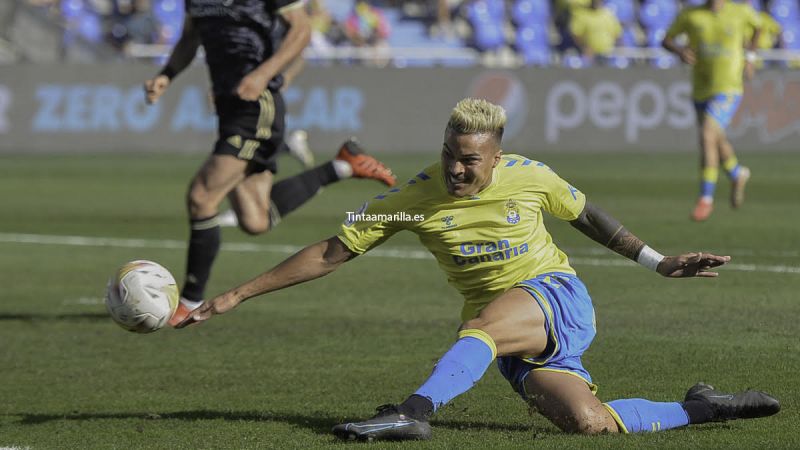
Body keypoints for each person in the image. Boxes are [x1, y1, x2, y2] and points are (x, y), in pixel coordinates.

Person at [176, 98, 780, 441]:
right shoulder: (412, 196)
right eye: (448, 155)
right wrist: (236, 295)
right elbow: (332, 250)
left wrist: (657, 262)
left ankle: (412, 414)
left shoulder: (531, 175)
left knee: (483, 329)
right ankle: (703, 407)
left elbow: (588, 216)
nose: (456, 170)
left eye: (469, 161)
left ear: (496, 156)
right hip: (509, 333)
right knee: (589, 423)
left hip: (554, 296)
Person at [143, 0, 396, 326]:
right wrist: (166, 75)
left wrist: (262, 75)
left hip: (256, 107)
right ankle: (343, 165)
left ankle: (188, 303)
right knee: (255, 220)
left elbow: (302, 30)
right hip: (229, 108)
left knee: (202, 196)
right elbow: (191, 38)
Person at [662, 0, 761, 222]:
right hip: (701, 88)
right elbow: (666, 40)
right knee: (715, 139)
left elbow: (759, 27)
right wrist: (679, 50)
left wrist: (750, 58)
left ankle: (705, 199)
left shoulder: (741, 12)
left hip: (729, 87)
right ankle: (737, 173)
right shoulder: (691, 15)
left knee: (707, 135)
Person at [569, 0, 622, 65]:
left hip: (608, 55)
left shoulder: (609, 14)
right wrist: (584, 48)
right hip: (589, 56)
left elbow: (617, 34)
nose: (597, 2)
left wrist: (615, 49)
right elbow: (576, 35)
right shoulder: (582, 15)